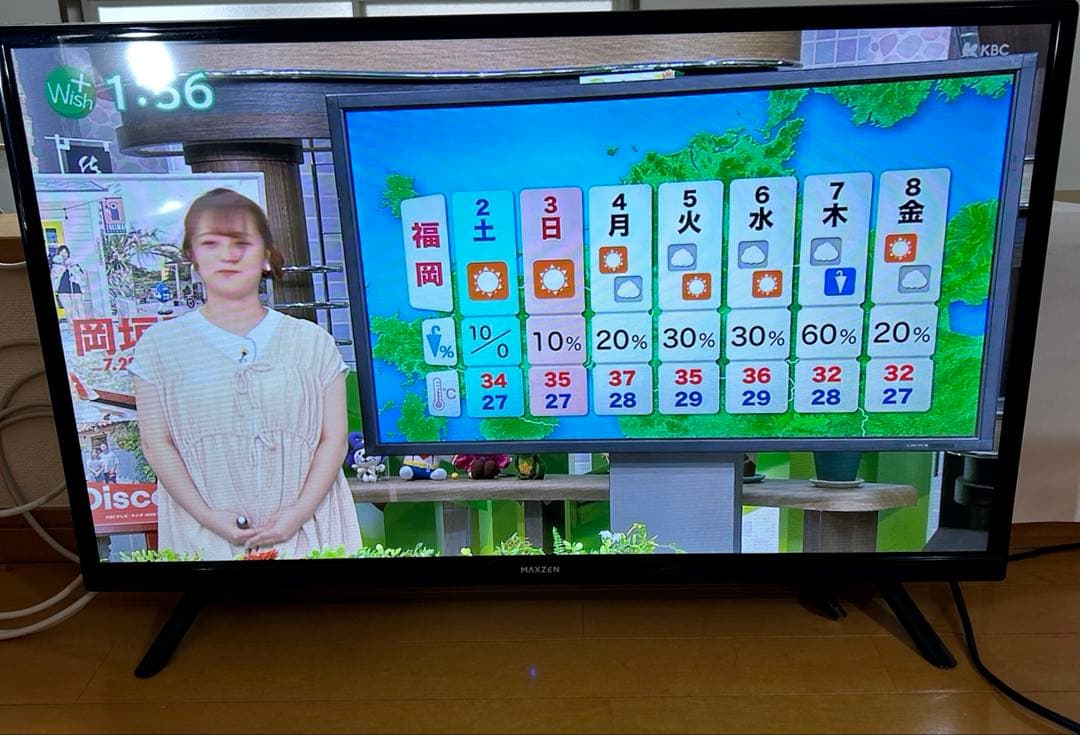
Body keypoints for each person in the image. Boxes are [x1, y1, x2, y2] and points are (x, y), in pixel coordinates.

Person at [129, 188, 361, 560]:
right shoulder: (159, 347)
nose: (228, 255)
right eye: (211, 243)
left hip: (309, 529)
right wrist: (207, 516)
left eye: (241, 242)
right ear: (192, 256)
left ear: (266, 255)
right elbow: (157, 443)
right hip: (205, 536)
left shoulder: (313, 342)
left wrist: (295, 516)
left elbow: (333, 440)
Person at [50, 245, 87, 320]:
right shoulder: (55, 265)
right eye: (61, 252)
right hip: (62, 289)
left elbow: (82, 275)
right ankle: (72, 326)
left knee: (79, 308)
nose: (64, 254)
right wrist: (61, 269)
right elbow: (53, 277)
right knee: (69, 310)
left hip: (75, 288)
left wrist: (73, 267)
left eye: (65, 252)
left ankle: (82, 324)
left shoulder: (73, 263)